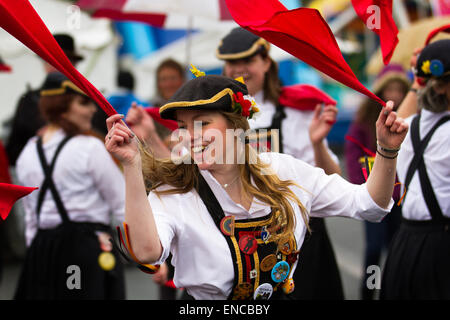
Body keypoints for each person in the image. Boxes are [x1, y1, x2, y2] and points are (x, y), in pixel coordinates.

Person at [105, 73, 408, 300]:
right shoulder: (174, 192)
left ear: (236, 125)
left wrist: (386, 149)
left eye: (203, 122)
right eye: (183, 127)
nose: (191, 135)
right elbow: (146, 252)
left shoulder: (284, 170)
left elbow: (369, 204)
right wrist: (132, 165)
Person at [216, 27, 343, 299]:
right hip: (240, 239)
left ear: (266, 62)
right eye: (231, 63)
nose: (239, 70)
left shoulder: (297, 113)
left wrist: (318, 143)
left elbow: (335, 178)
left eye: (247, 61)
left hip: (298, 236)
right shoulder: (216, 118)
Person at [14, 72, 126, 299]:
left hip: (41, 251)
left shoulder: (28, 150)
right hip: (84, 251)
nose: (93, 110)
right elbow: (123, 205)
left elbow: (30, 218)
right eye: (84, 103)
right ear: (61, 107)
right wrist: (149, 256)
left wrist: (36, 255)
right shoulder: (89, 147)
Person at [380, 39, 450, 300]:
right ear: (442, 86)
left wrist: (418, 77)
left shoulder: (408, 125)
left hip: (405, 244)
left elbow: (398, 120)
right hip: (442, 248)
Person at [344, 63, 410, 300]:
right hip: (374, 196)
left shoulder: (410, 117)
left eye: (398, 89)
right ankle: (368, 291)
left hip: (403, 198)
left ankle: (392, 291)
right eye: (389, 88)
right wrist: (360, 184)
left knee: (397, 249)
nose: (394, 94)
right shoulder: (366, 118)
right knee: (373, 248)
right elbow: (352, 151)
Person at [5, 33, 107, 167]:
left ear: (74, 65)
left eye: (64, 62)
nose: (57, 67)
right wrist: (39, 144)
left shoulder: (91, 101)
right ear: (44, 64)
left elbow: (106, 143)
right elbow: (13, 152)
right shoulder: (28, 101)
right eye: (51, 61)